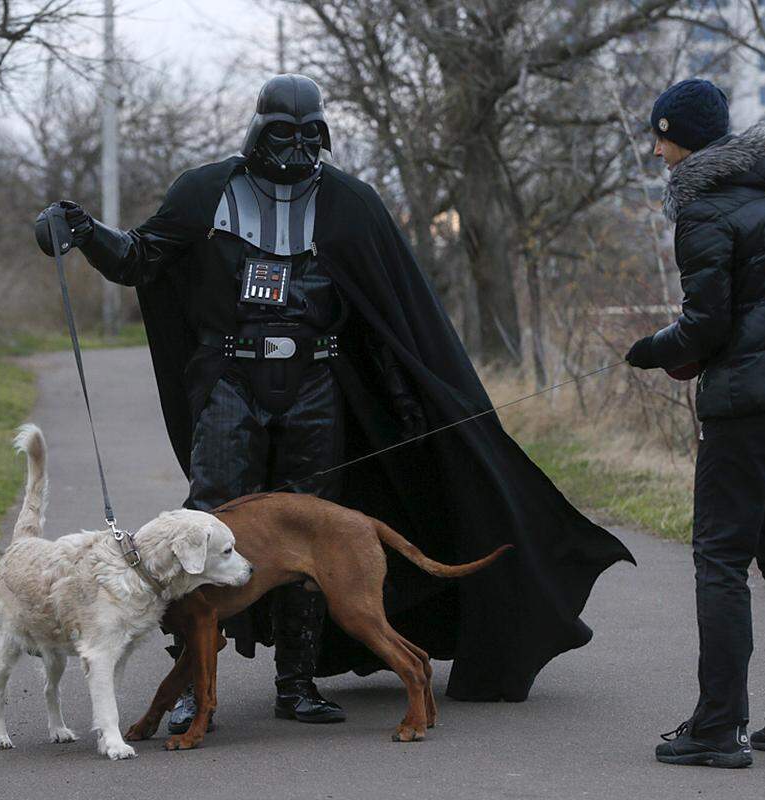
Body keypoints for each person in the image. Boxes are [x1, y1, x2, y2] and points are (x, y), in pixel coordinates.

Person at [42, 74, 634, 736]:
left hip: (313, 385)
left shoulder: (351, 203)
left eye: (309, 135)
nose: (296, 149)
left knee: (313, 532)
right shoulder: (204, 191)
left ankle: (296, 683)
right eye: (281, 134)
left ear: (324, 135)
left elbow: (397, 312)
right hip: (229, 382)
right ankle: (189, 687)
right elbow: (141, 259)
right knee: (203, 533)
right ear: (256, 129)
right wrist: (84, 231)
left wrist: (414, 403)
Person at [625, 79, 765, 768]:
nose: (656, 150)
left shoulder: (700, 208)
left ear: (683, 137)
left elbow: (706, 324)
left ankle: (719, 727)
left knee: (721, 558)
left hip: (748, 404)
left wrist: (650, 351)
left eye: (660, 136)